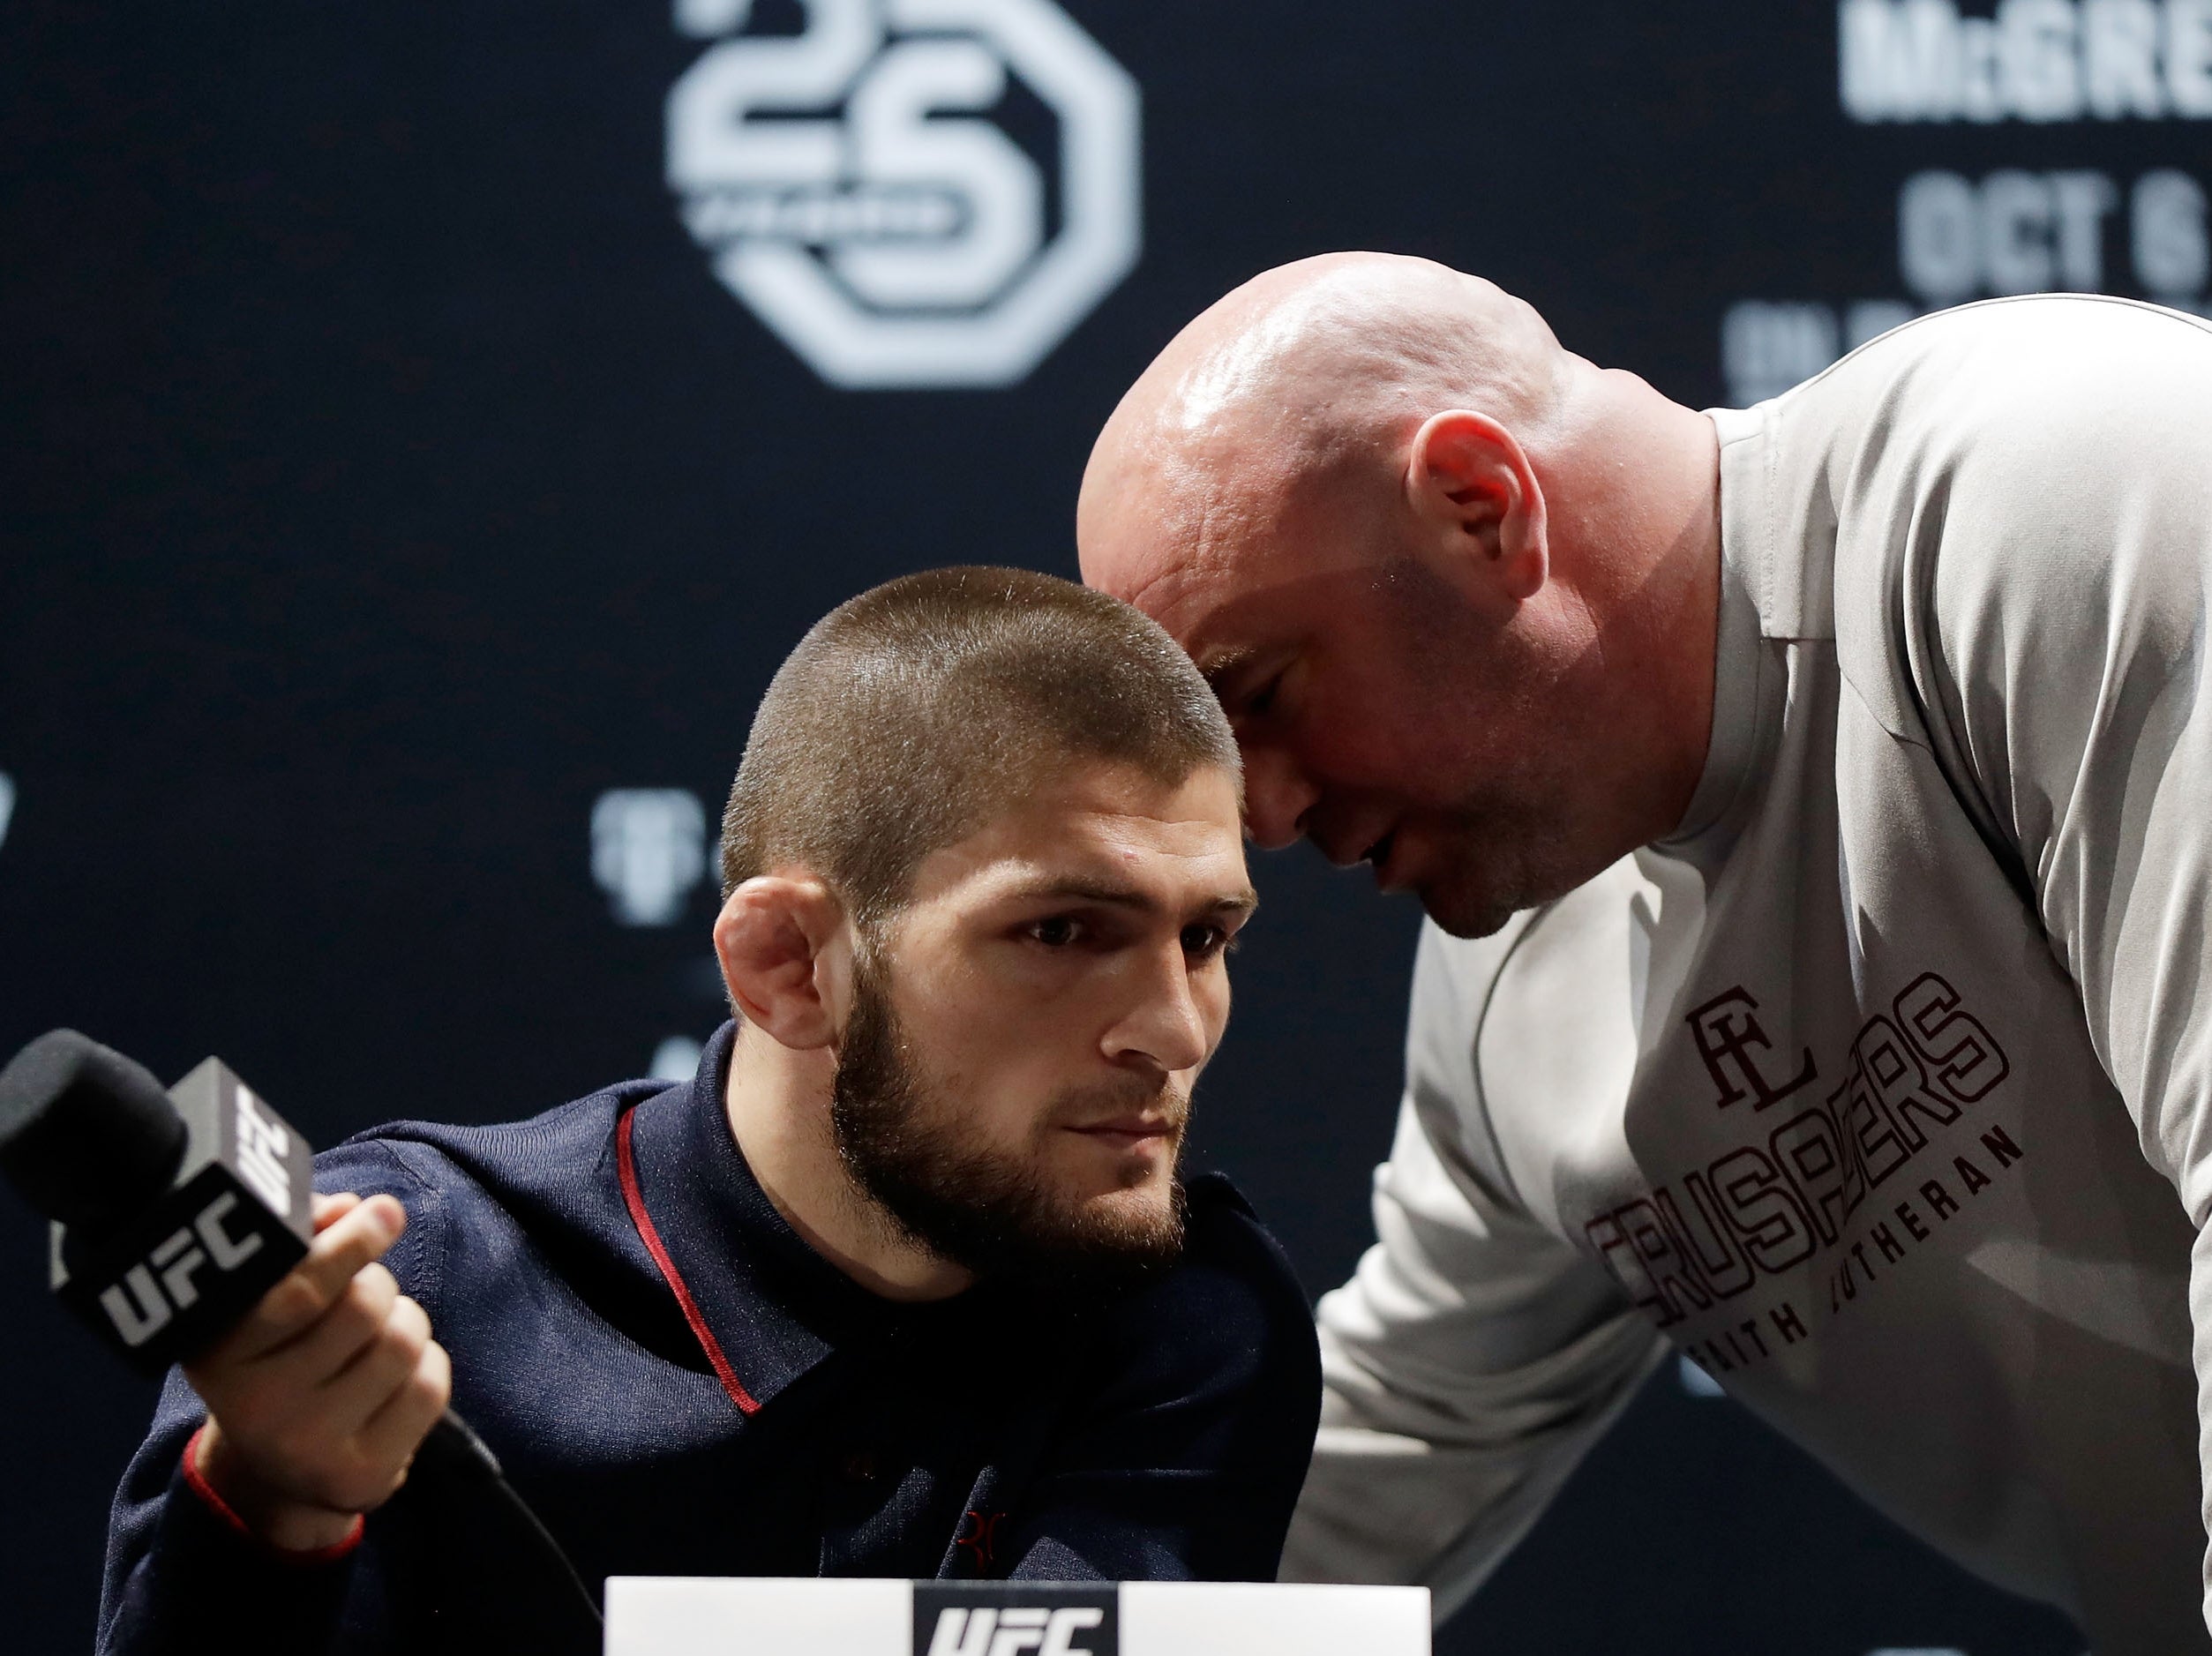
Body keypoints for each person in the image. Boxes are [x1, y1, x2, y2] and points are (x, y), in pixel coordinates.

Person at [1076, 252, 2212, 1654]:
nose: (1259, 818)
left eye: (1261, 695)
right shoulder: (1507, 984)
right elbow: (1400, 1446)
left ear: (1481, 507)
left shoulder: (2059, 482)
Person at [98, 567, 1321, 1654]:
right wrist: (274, 1504)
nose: (1176, 1028)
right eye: (1061, 931)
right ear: (790, 964)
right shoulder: (402, 1285)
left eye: (1206, 935)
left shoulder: (1193, 1316)